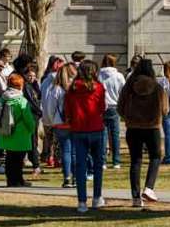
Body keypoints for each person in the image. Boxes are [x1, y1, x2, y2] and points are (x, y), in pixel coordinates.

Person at [118, 58, 169, 207]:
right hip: (152, 127)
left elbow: (120, 107)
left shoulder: (128, 87)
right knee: (155, 156)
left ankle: (135, 197)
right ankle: (149, 187)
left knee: (135, 160)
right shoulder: (158, 88)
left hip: (133, 128)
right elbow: (165, 110)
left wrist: (128, 117)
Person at [66, 60, 107, 213]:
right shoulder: (99, 87)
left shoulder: (73, 88)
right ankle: (97, 198)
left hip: (78, 129)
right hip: (96, 128)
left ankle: (82, 202)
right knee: (98, 165)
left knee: (81, 167)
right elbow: (102, 107)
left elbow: (67, 110)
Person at [0, 73, 36, 187]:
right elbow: (28, 119)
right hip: (20, 134)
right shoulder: (21, 100)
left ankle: (11, 181)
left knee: (9, 159)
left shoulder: (3, 98)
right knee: (19, 160)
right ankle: (19, 180)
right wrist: (32, 128)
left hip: (6, 132)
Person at [43, 63, 77, 188]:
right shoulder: (75, 87)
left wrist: (52, 121)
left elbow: (50, 107)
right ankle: (76, 177)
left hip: (60, 123)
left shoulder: (55, 88)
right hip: (74, 123)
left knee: (65, 151)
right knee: (74, 151)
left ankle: (67, 177)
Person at [98, 54, 125, 170]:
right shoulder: (119, 76)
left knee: (102, 135)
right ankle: (116, 161)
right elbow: (123, 91)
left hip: (101, 107)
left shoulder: (98, 75)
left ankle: (102, 161)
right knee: (115, 135)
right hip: (114, 106)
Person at [39, 56, 65, 167]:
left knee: (49, 139)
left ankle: (49, 157)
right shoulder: (57, 82)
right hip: (55, 117)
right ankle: (55, 158)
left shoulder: (45, 80)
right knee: (56, 139)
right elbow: (53, 101)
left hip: (46, 115)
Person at [22, 64, 44, 175]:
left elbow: (38, 97)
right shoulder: (25, 86)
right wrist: (39, 111)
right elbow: (30, 102)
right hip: (31, 115)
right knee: (31, 141)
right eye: (29, 76)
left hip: (35, 116)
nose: (32, 78)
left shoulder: (34, 86)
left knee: (33, 140)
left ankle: (35, 163)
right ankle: (36, 165)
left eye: (34, 76)